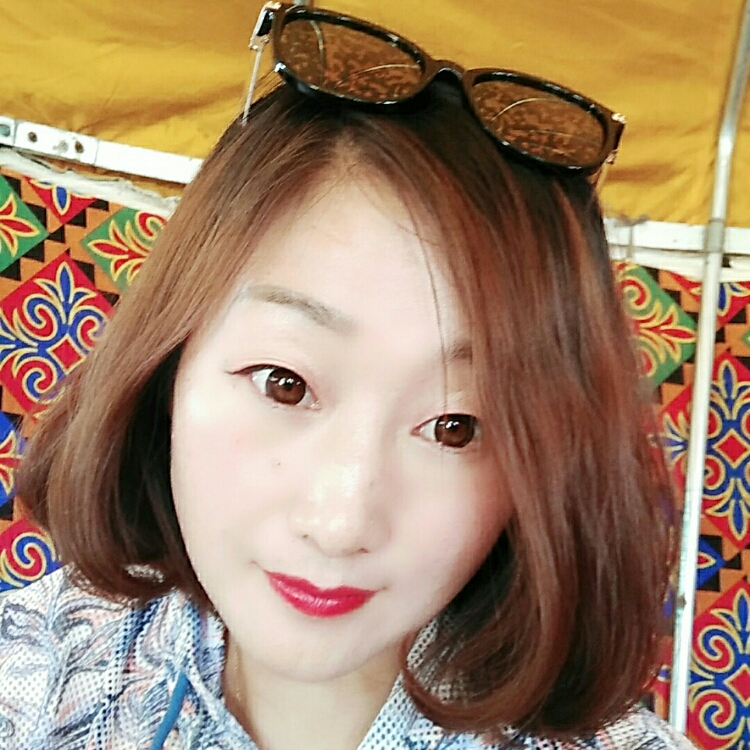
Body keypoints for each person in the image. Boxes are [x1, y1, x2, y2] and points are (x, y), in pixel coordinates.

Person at [0, 3, 695, 749]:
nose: (340, 525)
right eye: (284, 383)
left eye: (455, 427)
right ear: (169, 366)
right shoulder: (38, 668)